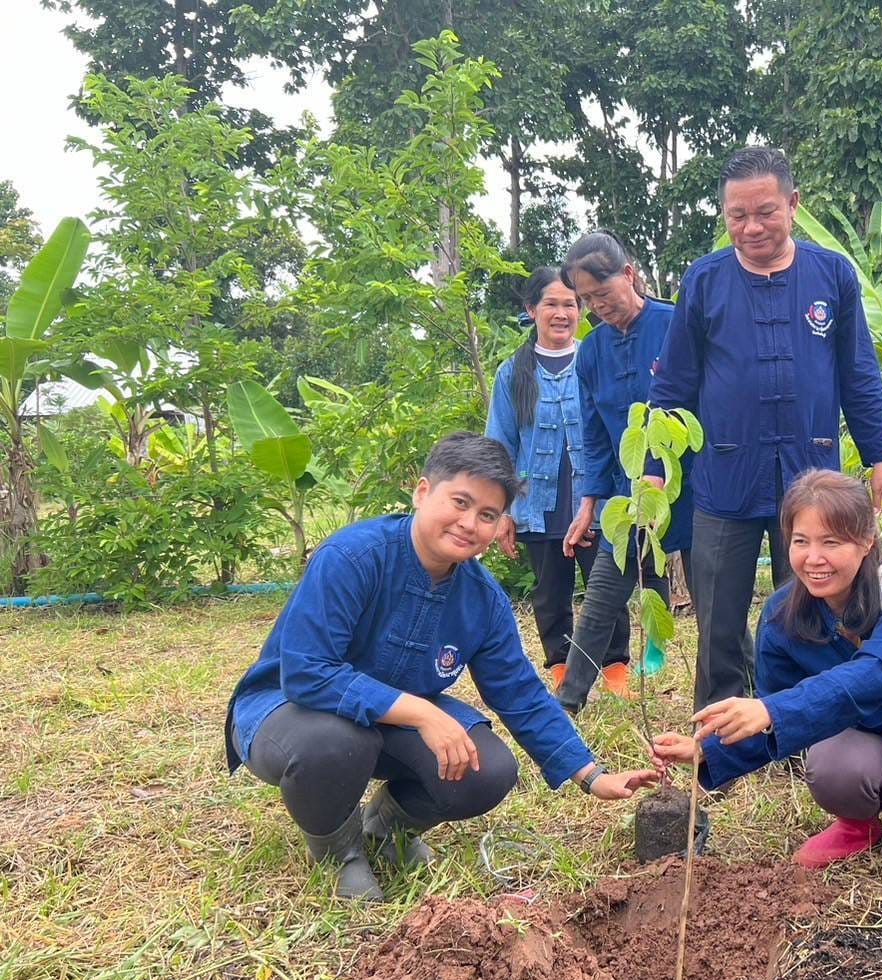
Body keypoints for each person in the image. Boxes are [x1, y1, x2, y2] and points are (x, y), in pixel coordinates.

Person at [224, 433, 660, 901]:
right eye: (460, 502)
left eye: (488, 515)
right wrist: (424, 713)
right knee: (336, 741)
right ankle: (338, 851)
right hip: (290, 710)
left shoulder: (482, 598)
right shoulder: (353, 557)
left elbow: (521, 694)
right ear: (422, 492)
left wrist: (591, 775)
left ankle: (385, 830)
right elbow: (308, 672)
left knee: (487, 769)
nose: (469, 523)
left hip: (389, 724)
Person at [651, 470, 882, 877]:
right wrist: (707, 751)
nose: (813, 558)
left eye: (832, 542)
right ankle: (857, 824)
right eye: (800, 541)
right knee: (828, 761)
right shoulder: (779, 618)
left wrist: (772, 710)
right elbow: (776, 725)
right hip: (872, 754)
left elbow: (880, 671)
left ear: (866, 540)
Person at [647, 146, 882, 711]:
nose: (751, 227)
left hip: (811, 478)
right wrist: (654, 473)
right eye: (736, 215)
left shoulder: (832, 275)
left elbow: (859, 374)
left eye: (764, 211)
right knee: (718, 614)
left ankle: (800, 717)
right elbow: (673, 388)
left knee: (809, 609)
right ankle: (720, 724)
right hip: (724, 478)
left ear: (792, 203)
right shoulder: (703, 280)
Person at [556, 231, 693, 714]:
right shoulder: (590, 352)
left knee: (716, 601)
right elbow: (594, 434)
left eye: (602, 293)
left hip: (692, 490)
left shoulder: (677, 325)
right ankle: (568, 700)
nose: (597, 306)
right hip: (627, 494)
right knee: (601, 597)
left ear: (630, 274)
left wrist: (662, 471)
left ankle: (749, 696)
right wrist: (588, 505)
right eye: (586, 299)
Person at [486, 268, 628, 690]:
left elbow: (618, 429)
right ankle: (562, 668)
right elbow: (500, 445)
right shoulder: (512, 373)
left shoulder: (596, 358)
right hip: (538, 502)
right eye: (552, 303)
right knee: (550, 593)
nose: (562, 312)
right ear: (532, 310)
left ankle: (617, 668)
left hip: (599, 500)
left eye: (571, 303)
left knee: (607, 586)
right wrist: (502, 511)